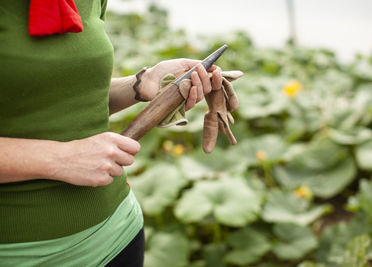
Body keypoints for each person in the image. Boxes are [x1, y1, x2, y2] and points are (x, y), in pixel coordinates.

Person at [0, 0, 223, 266]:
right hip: (19, 254)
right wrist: (57, 158)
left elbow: (66, 99)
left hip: (119, 235)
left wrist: (143, 83)